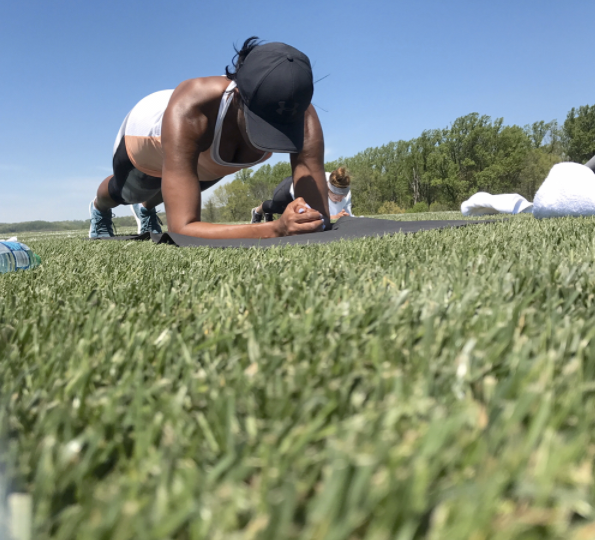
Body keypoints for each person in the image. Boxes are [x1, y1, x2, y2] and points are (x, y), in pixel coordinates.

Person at [89, 37, 330, 239]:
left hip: (206, 157)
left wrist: (308, 218)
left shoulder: (300, 112)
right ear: (237, 96)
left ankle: (147, 211)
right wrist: (275, 228)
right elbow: (182, 229)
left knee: (183, 187)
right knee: (129, 193)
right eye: (263, 124)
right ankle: (99, 209)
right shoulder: (192, 109)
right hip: (146, 137)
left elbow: (318, 216)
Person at [251, 167, 352, 222]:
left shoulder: (346, 194)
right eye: (336, 197)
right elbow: (309, 216)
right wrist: (335, 217)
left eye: (342, 197)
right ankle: (257, 212)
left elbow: (348, 215)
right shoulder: (314, 188)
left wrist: (345, 216)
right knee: (275, 207)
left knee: (284, 211)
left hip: (303, 195)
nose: (339, 200)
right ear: (327, 188)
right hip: (288, 189)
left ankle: (268, 213)